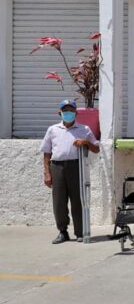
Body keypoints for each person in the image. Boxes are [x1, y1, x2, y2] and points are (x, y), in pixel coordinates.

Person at [40, 99, 100, 244]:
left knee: (78, 200)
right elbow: (47, 152)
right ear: (59, 113)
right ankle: (63, 231)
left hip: (76, 166)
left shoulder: (84, 129)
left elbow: (96, 149)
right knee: (59, 201)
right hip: (57, 167)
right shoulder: (53, 130)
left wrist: (86, 142)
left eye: (71, 111)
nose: (68, 113)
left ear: (76, 113)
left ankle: (80, 232)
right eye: (65, 111)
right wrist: (47, 173)